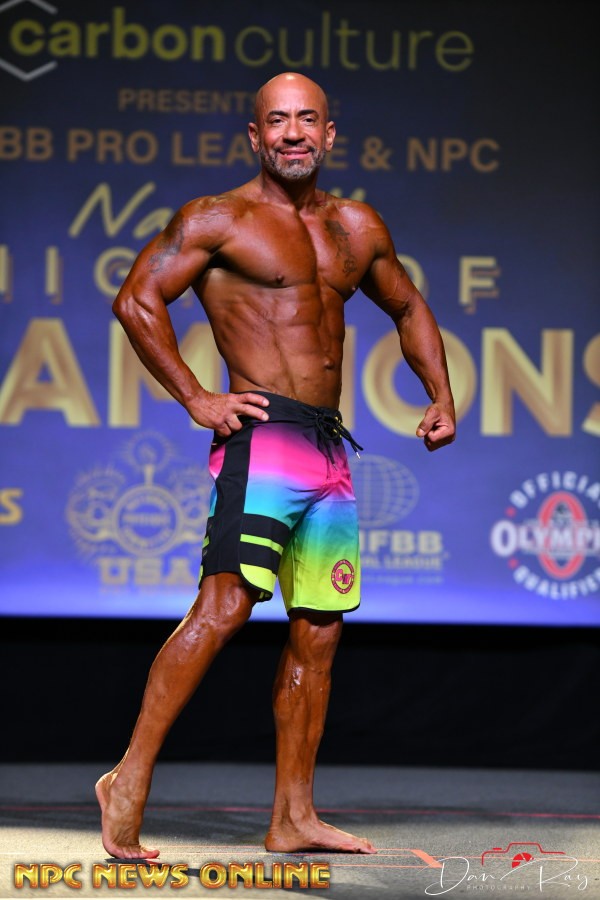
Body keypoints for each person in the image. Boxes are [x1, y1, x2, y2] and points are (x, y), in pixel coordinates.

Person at [96, 71, 456, 859]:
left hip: (329, 444)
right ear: (256, 136)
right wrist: (196, 396)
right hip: (263, 438)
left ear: (329, 134)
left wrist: (441, 394)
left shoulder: (356, 226)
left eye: (307, 120)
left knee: (319, 632)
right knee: (224, 607)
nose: (293, 133)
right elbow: (136, 300)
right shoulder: (218, 218)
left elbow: (406, 304)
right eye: (278, 121)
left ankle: (292, 816)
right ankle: (128, 777)